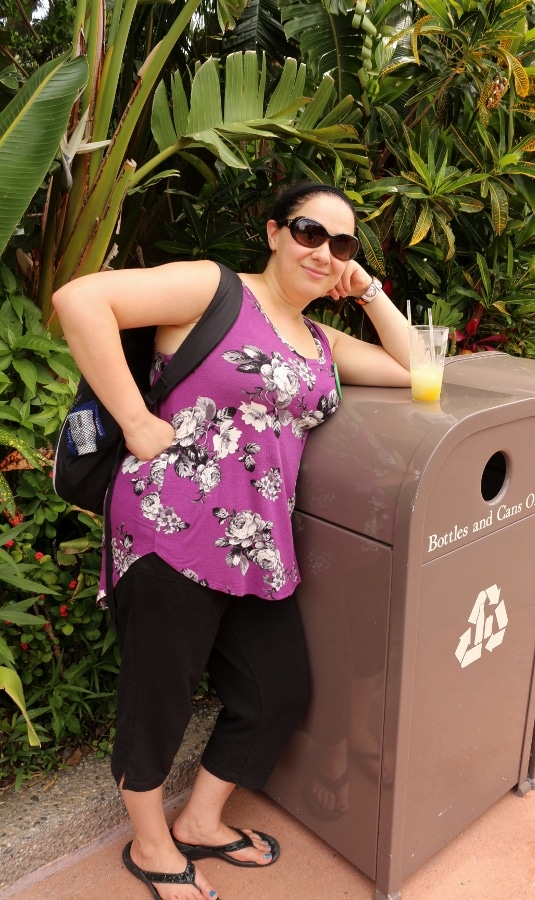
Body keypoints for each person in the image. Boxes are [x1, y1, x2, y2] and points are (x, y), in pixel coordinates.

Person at [52, 181, 411, 900]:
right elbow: (78, 300)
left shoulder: (319, 341)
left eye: (340, 244)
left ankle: (201, 821)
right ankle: (152, 848)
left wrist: (367, 288)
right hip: (168, 531)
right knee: (159, 698)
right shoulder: (214, 290)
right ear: (275, 232)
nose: (324, 253)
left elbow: (414, 371)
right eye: (311, 233)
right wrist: (132, 418)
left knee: (279, 691)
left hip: (257, 549)